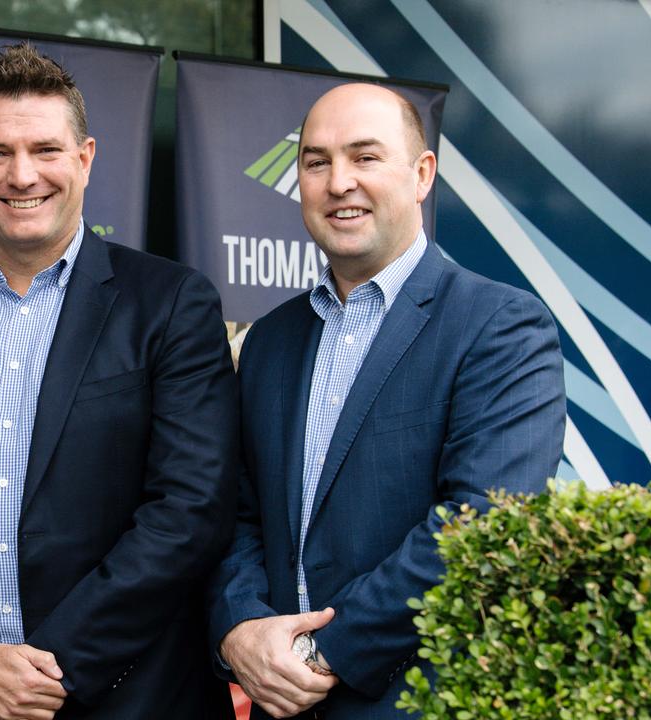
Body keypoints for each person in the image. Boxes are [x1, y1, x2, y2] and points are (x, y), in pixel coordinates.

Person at [0, 42, 238, 720]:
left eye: (46, 150)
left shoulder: (172, 303)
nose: (21, 175)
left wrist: (48, 668)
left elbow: (189, 511)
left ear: (85, 159)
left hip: (129, 700)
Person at [208, 82, 566, 719]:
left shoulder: (500, 326)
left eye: (365, 157)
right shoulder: (268, 342)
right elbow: (234, 513)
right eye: (316, 162)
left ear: (422, 174)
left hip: (419, 702)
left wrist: (323, 654)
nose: (338, 181)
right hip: (277, 702)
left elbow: (477, 524)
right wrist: (241, 632)